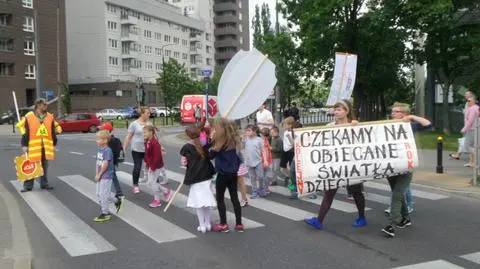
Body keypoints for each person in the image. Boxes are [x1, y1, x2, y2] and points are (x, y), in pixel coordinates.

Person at [304, 99, 367, 229]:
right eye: (335, 109)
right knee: (329, 193)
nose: (336, 112)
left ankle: (362, 217)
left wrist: (356, 127)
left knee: (356, 192)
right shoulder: (330, 126)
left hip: (351, 166)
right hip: (334, 166)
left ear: (347, 111)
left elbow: (363, 142)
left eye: (339, 109)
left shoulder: (354, 125)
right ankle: (319, 221)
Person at [382, 102, 432, 238]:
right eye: (392, 111)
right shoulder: (387, 125)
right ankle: (405, 219)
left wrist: (412, 117)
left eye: (396, 112)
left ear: (404, 114)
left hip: (406, 166)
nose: (393, 114)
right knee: (397, 193)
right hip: (391, 166)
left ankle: (392, 224)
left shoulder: (409, 126)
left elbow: (428, 124)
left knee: (397, 195)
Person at [17, 98, 62, 192]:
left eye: (46, 104)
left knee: (44, 166)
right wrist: (24, 145)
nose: (46, 106)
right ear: (38, 105)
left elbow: (53, 129)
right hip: (33, 147)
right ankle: (28, 186)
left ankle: (44, 184)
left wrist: (55, 140)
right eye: (44, 104)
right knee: (31, 166)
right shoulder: (29, 116)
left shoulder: (49, 116)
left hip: (45, 147)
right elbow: (25, 131)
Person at [208, 118, 244, 233]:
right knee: (234, 198)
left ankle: (224, 224)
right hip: (233, 173)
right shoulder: (234, 139)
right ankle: (239, 223)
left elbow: (210, 155)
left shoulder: (219, 141)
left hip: (222, 173)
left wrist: (211, 140)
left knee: (220, 199)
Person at [181, 125, 217, 233]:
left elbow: (183, 162)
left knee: (199, 203)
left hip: (195, 177)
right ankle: (208, 223)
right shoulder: (204, 144)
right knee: (206, 200)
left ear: (188, 135)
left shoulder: (186, 147)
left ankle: (202, 226)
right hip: (206, 176)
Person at [94, 130, 123, 222]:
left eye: (99, 139)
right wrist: (97, 173)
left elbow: (106, 164)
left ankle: (105, 213)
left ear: (105, 140)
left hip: (106, 176)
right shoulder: (100, 149)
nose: (97, 141)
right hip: (101, 175)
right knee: (99, 193)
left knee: (103, 195)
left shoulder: (107, 150)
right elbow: (98, 162)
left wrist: (99, 174)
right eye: (97, 139)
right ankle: (117, 201)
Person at [123, 107, 152, 194]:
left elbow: (153, 136)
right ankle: (135, 185)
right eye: (147, 113)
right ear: (142, 114)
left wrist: (159, 147)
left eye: (149, 113)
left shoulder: (149, 124)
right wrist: (124, 148)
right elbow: (129, 137)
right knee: (137, 167)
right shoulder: (134, 124)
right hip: (136, 149)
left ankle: (154, 183)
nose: (149, 115)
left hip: (147, 149)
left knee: (152, 167)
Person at [143, 125, 172, 208]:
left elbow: (157, 157)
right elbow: (147, 154)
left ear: (151, 132)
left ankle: (158, 200)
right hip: (151, 165)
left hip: (156, 166)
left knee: (151, 183)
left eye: (145, 132)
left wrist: (152, 167)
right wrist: (146, 163)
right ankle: (165, 192)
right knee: (152, 183)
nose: (143, 134)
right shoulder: (147, 142)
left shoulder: (155, 143)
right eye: (143, 132)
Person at [450, 90, 474, 160]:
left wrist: (465, 128)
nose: (465, 96)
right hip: (469, 126)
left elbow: (471, 116)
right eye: (465, 94)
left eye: (467, 94)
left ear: (471, 95)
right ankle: (459, 155)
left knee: (467, 142)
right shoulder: (468, 103)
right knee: (465, 141)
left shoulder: (470, 103)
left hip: (470, 127)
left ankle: (471, 160)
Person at [244, 124, 265, 198]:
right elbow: (241, 146)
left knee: (261, 176)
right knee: (252, 177)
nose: (247, 132)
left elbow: (263, 151)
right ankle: (254, 191)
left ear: (254, 131)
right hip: (249, 162)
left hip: (258, 161)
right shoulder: (246, 139)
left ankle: (262, 189)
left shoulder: (259, 140)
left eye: (249, 131)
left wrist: (265, 160)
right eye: (246, 131)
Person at [461, 96, 479, 167]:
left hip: (471, 129)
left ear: (474, 101)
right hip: (474, 128)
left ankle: (476, 160)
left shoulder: (472, 109)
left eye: (469, 101)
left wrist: (464, 129)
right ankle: (472, 162)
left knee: (467, 145)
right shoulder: (475, 108)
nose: (468, 102)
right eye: (467, 101)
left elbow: (470, 121)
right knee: (473, 145)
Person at [280, 117, 296, 187]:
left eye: (285, 124)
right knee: (282, 165)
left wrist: (289, 137)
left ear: (290, 125)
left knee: (291, 167)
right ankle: (288, 176)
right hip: (285, 151)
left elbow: (293, 144)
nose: (284, 126)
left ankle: (292, 181)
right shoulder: (285, 132)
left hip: (291, 151)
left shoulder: (293, 132)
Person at [260, 128, 273, 194]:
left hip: (266, 160)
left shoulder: (265, 140)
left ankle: (265, 188)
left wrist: (270, 148)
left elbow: (268, 148)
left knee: (266, 175)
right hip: (264, 160)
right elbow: (264, 151)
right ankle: (264, 188)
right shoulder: (262, 141)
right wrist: (265, 160)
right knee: (265, 175)